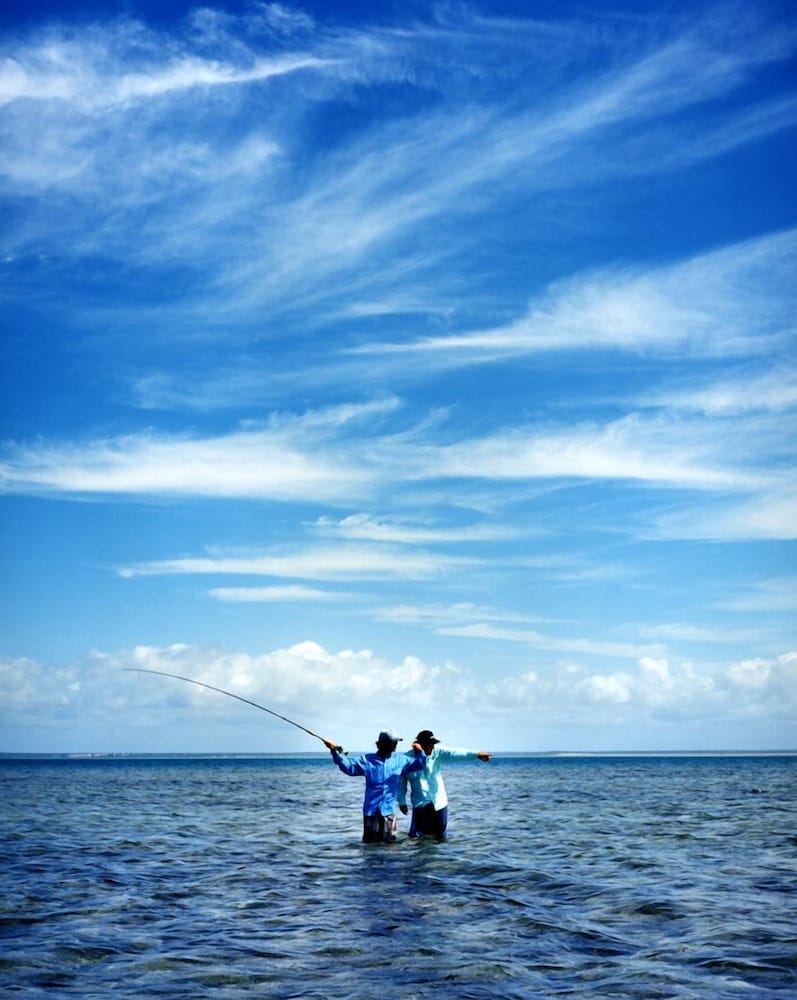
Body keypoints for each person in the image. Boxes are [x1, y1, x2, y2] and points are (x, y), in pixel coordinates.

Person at [323, 730, 426, 843]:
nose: (396, 745)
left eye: (396, 742)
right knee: (370, 847)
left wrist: (420, 751)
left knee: (390, 848)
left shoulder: (400, 760)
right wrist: (334, 751)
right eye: (393, 742)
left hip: (389, 813)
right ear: (383, 744)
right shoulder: (367, 760)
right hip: (371, 812)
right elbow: (347, 767)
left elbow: (420, 764)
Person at [398, 729, 491, 840]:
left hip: (439, 803)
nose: (432, 747)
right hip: (420, 804)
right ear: (421, 745)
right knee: (416, 838)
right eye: (429, 744)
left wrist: (476, 755)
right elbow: (401, 782)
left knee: (440, 838)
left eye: (433, 744)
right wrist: (402, 801)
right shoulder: (406, 759)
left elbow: (456, 754)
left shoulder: (438, 753)